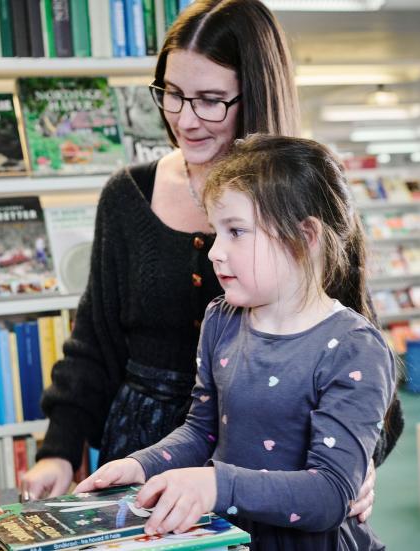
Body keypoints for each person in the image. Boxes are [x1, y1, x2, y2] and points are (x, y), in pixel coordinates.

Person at [21, 0, 403, 520]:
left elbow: (364, 366)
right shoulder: (128, 196)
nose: (184, 118)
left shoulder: (306, 198)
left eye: (210, 100)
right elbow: (93, 341)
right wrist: (59, 451)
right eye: (172, 94)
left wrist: (355, 464)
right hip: (147, 448)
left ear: (255, 96)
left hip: (273, 474)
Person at [74, 134, 397, 550]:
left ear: (306, 237)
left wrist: (215, 485)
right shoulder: (221, 320)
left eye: (236, 232)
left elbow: (331, 494)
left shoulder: (354, 347)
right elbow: (201, 432)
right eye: (216, 232)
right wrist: (142, 464)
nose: (214, 252)